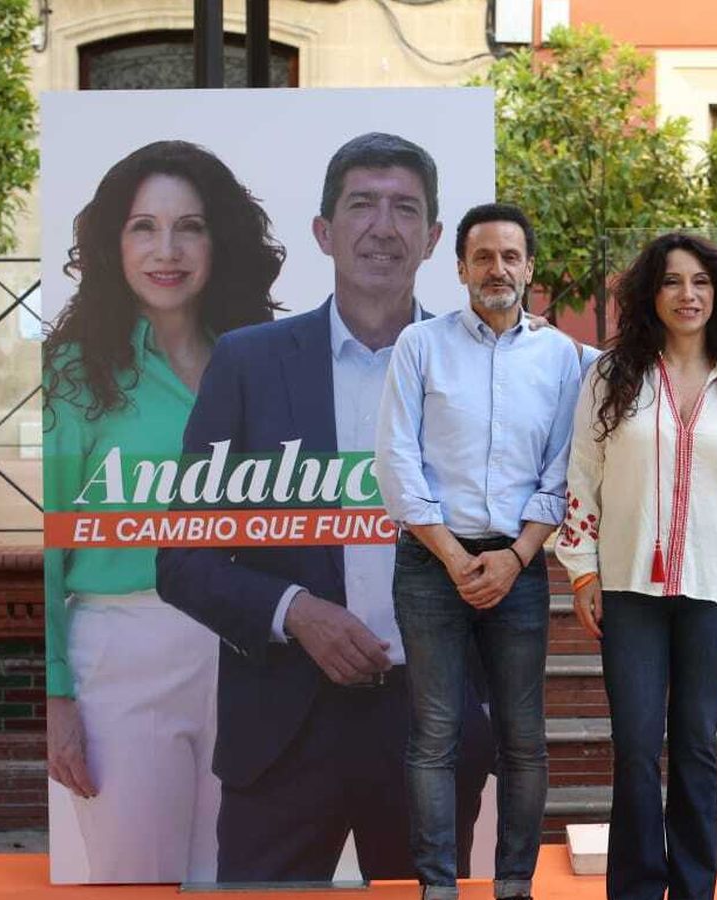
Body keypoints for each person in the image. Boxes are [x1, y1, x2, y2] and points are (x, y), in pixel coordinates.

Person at [156, 132, 492, 883]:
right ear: (323, 231)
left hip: (429, 729)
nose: (383, 226)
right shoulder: (246, 364)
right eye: (361, 205)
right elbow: (181, 559)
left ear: (435, 238)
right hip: (281, 727)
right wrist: (295, 610)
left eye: (406, 209)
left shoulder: (478, 366)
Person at [41, 140, 284, 883]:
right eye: (143, 226)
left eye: (191, 227)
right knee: (136, 880)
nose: (166, 250)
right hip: (123, 651)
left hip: (246, 649)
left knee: (237, 878)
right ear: (112, 243)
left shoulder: (260, 359)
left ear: (221, 240)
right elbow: (51, 544)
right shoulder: (74, 370)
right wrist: (55, 694)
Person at [558, 233, 717, 900]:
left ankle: (694, 888)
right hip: (629, 586)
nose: (686, 295)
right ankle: (635, 888)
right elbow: (584, 475)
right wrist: (581, 570)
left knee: (694, 746)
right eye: (671, 282)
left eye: (699, 282)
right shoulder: (611, 376)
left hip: (716, 588)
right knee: (635, 747)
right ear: (650, 295)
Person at [375, 202, 580, 900]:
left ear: (529, 268)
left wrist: (517, 556)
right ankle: (438, 886)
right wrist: (456, 557)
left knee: (523, 736)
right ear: (459, 267)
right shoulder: (420, 345)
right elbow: (397, 462)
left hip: (519, 568)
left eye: (511, 256)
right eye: (483, 256)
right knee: (435, 732)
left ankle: (515, 882)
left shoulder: (560, 357)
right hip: (433, 565)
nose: (498, 269)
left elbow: (561, 471)